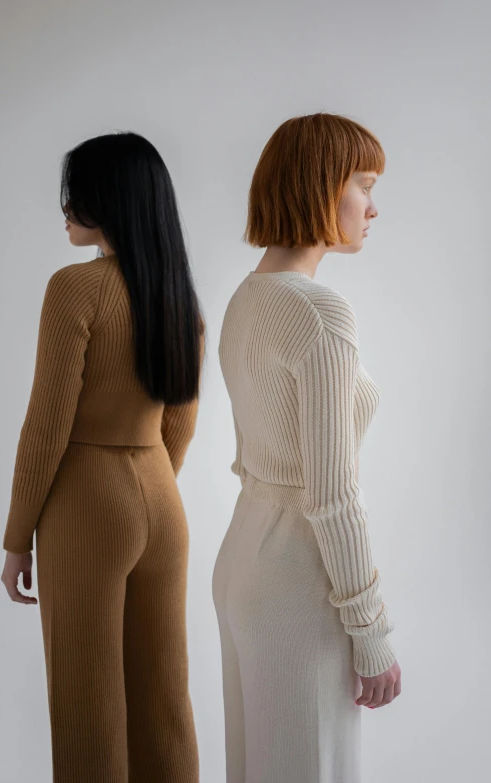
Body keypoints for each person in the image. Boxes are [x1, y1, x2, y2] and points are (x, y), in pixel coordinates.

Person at [0, 131, 205, 783]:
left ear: (108, 200)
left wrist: (16, 539)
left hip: (87, 503)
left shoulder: (76, 288)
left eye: (75, 193)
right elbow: (181, 418)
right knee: (163, 702)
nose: (64, 206)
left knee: (88, 706)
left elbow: (46, 426)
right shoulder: (179, 296)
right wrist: (147, 487)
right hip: (162, 503)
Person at [212, 112, 401, 783]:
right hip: (297, 581)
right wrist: (371, 631)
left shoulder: (247, 297)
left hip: (243, 562)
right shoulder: (319, 311)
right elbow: (332, 495)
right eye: (364, 183)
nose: (373, 206)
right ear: (322, 185)